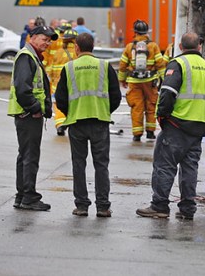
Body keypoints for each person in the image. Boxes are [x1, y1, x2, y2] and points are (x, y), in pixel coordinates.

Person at [136, 32, 205, 220]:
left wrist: (162, 117)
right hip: (199, 127)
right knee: (190, 168)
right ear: (199, 46)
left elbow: (167, 94)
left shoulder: (178, 64)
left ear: (180, 47)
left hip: (177, 125)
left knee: (164, 166)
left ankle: (159, 206)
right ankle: (187, 209)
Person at [55, 33, 122, 217]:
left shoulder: (68, 68)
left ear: (76, 47)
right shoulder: (105, 66)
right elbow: (116, 96)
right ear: (93, 46)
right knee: (101, 165)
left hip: (77, 123)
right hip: (100, 122)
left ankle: (82, 206)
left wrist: (71, 111)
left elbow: (60, 99)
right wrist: (104, 110)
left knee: (79, 164)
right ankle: (102, 207)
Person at [8, 25, 59, 211]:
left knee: (25, 155)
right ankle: (28, 197)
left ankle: (22, 196)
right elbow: (23, 89)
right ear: (33, 37)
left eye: (49, 40)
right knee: (30, 156)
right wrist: (36, 108)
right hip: (28, 115)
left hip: (27, 114)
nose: (47, 43)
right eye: (44, 39)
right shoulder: (26, 57)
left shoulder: (32, 57)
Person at [118, 19, 165, 141]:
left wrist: (122, 80)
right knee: (151, 105)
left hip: (134, 82)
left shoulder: (129, 47)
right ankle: (150, 132)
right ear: (146, 32)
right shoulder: (153, 46)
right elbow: (160, 64)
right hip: (150, 82)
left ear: (135, 32)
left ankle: (137, 134)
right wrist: (164, 79)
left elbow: (122, 65)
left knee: (136, 107)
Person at [45, 27, 78, 136]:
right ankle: (72, 123)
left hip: (57, 86)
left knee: (58, 106)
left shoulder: (58, 52)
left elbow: (51, 70)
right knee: (73, 105)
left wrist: (51, 83)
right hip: (74, 86)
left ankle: (60, 125)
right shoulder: (78, 53)